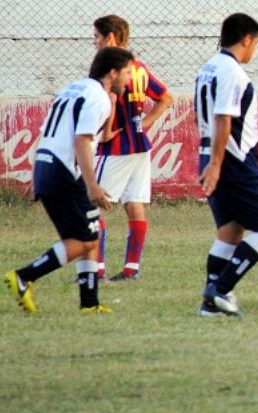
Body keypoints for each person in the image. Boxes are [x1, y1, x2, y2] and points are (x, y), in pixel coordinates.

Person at [4, 47, 134, 314]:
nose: (129, 79)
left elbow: (46, 133)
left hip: (48, 165)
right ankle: (24, 276)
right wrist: (92, 185)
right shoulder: (98, 98)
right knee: (83, 240)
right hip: (65, 171)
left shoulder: (71, 90)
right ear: (113, 72)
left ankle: (90, 303)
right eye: (127, 72)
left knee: (90, 233)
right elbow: (82, 140)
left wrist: (36, 175)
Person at [194, 13, 258, 317]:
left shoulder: (207, 68)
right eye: (255, 42)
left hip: (212, 155)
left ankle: (210, 306)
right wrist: (218, 164)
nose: (254, 48)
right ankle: (219, 290)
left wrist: (210, 159)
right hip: (233, 162)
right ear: (246, 39)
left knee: (230, 232)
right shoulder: (231, 72)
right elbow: (223, 118)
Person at [92, 15, 174, 282]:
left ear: (110, 38)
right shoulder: (139, 67)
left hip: (116, 146)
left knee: (91, 205)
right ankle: (131, 268)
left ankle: (96, 270)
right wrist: (143, 124)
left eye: (97, 37)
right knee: (134, 203)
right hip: (139, 144)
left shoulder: (110, 67)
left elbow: (110, 98)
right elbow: (166, 97)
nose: (94, 43)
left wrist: (105, 132)